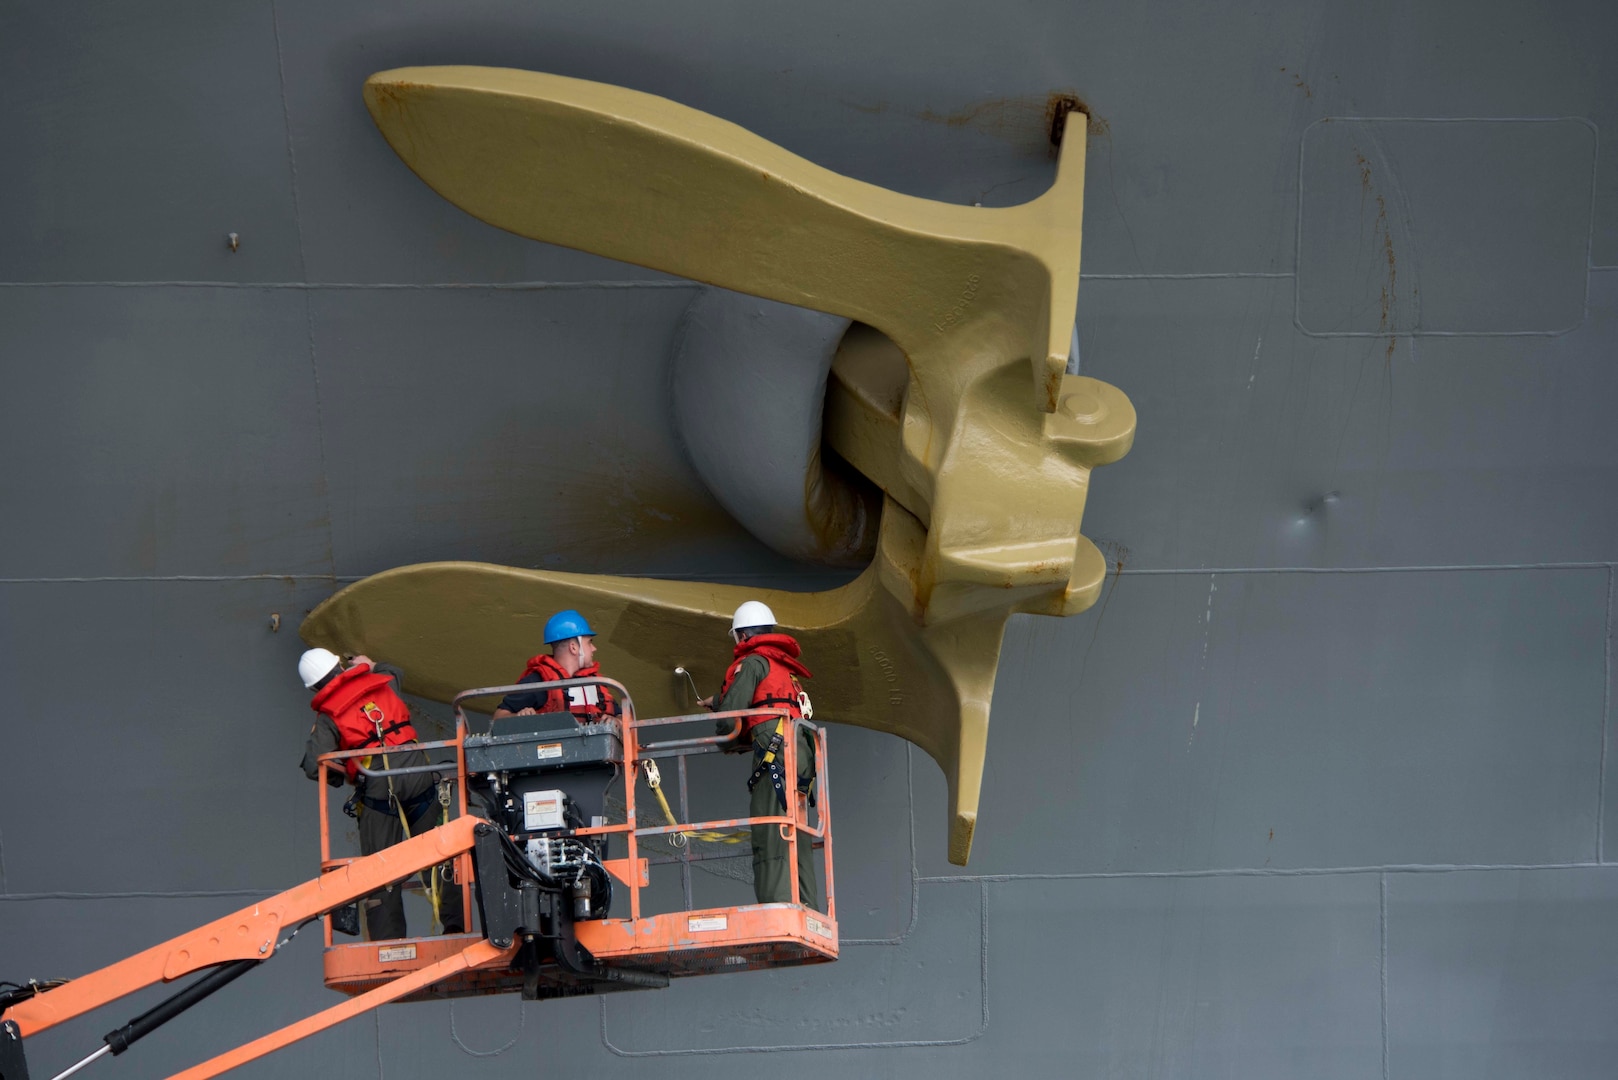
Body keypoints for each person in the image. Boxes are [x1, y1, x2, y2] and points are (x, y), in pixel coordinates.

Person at [298, 647, 465, 940]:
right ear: (339, 665)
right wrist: (369, 664)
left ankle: (388, 942)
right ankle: (456, 925)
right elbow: (395, 671)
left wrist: (348, 773)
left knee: (380, 869)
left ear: (314, 687)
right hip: (417, 774)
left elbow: (314, 765)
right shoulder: (381, 681)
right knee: (439, 853)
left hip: (378, 786)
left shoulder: (328, 717)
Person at [700, 601, 819, 909]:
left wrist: (726, 743)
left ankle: (776, 908)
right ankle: (807, 906)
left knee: (770, 832)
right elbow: (766, 702)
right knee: (797, 833)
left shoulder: (752, 663)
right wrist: (720, 701)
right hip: (801, 750)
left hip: (775, 752)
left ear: (741, 637)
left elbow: (732, 716)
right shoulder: (783, 668)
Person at [491, 609, 619, 723]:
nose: (594, 648)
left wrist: (617, 722)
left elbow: (622, 716)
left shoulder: (595, 683)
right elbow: (499, 717)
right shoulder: (538, 682)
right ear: (574, 648)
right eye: (589, 642)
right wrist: (520, 717)